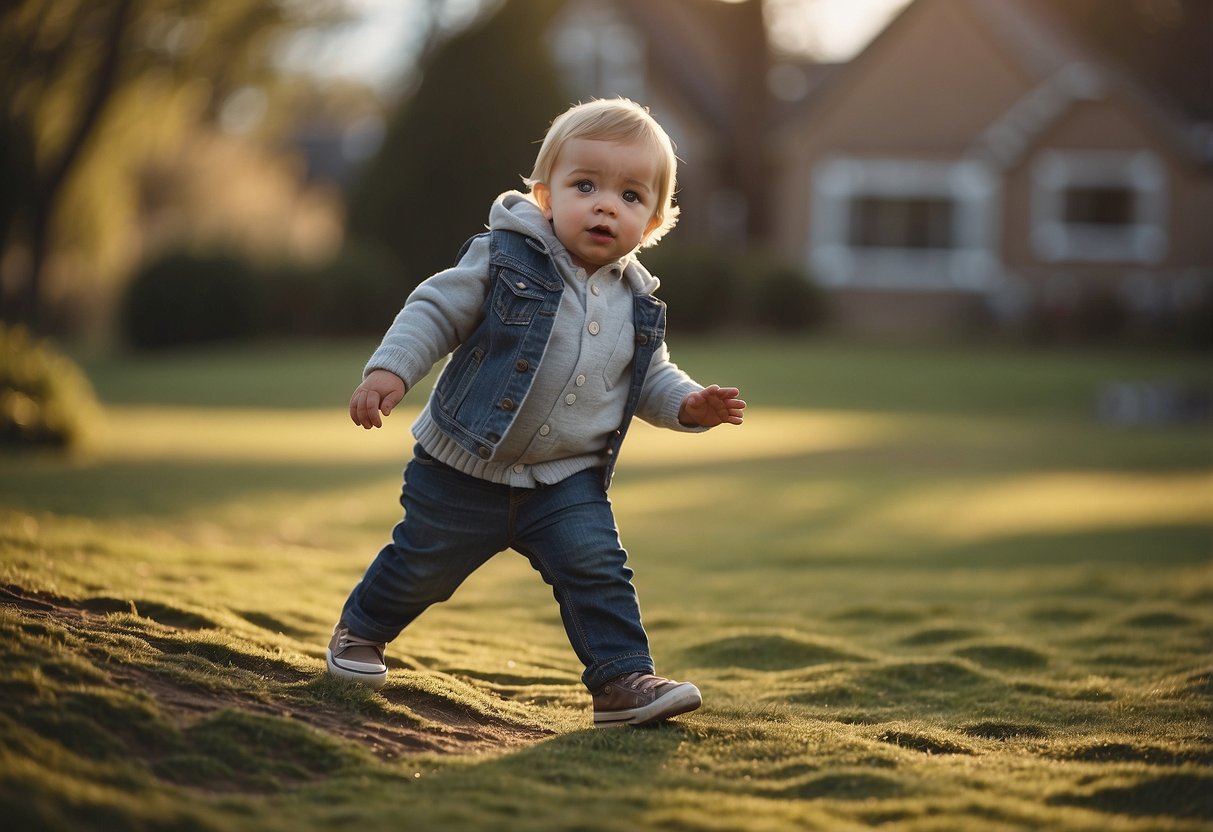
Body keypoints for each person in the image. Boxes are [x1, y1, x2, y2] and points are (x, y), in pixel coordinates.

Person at [326, 98, 745, 728]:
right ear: (546, 195)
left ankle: (621, 682)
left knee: (598, 570)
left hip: (564, 480)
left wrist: (688, 404)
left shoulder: (638, 303)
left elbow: (651, 376)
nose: (606, 204)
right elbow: (436, 310)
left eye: (630, 196)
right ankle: (360, 630)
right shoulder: (503, 256)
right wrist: (391, 369)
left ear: (654, 222)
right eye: (586, 186)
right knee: (422, 565)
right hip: (464, 466)